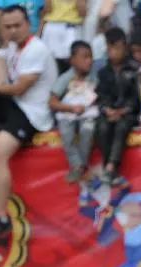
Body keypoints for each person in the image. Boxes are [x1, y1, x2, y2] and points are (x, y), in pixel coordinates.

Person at [0, 5, 55, 238]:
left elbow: (19, 88)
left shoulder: (37, 49)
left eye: (18, 25)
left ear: (28, 25)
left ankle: (0, 216)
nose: (13, 31)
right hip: (14, 105)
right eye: (8, 27)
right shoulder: (14, 47)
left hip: (31, 113)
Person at [95, 26, 140, 184]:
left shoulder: (134, 69)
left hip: (128, 113)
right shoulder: (103, 72)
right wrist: (107, 110)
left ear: (125, 47)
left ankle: (111, 166)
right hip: (109, 112)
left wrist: (123, 111)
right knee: (102, 128)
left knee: (121, 127)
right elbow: (101, 95)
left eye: (118, 48)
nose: (114, 52)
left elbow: (136, 97)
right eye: (110, 48)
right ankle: (110, 169)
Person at [50, 40, 99, 182]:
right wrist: (71, 108)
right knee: (67, 134)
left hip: (88, 112)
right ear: (72, 60)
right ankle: (78, 165)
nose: (89, 61)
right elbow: (52, 102)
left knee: (87, 131)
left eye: (90, 57)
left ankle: (80, 167)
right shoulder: (66, 78)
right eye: (84, 57)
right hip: (68, 113)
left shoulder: (94, 76)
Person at [40, 0, 87, 71]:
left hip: (52, 27)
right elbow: (82, 12)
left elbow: (47, 9)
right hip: (69, 28)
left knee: (50, 64)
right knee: (72, 64)